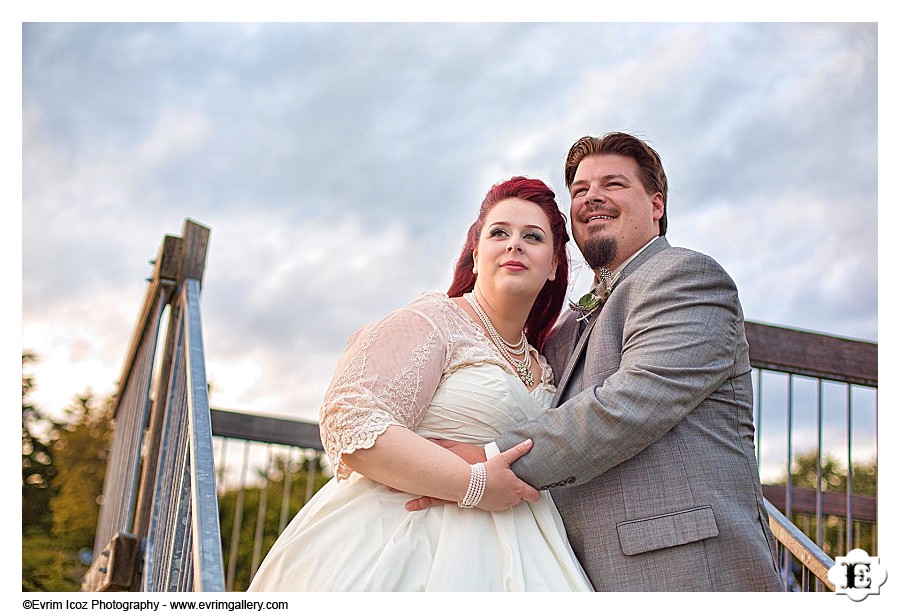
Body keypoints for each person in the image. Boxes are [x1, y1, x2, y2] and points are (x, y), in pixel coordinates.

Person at [409, 132, 785, 591]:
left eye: (614, 184)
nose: (592, 198)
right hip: (575, 573)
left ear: (657, 205)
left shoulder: (685, 277)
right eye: (580, 190)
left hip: (684, 570)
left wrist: (483, 461)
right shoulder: (563, 327)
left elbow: (631, 404)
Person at [247, 176, 594, 591]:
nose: (514, 244)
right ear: (477, 253)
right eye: (499, 232)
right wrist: (474, 483)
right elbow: (350, 418)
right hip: (405, 541)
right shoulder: (434, 322)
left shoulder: (547, 362)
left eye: (532, 237)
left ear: (555, 265)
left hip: (529, 549)